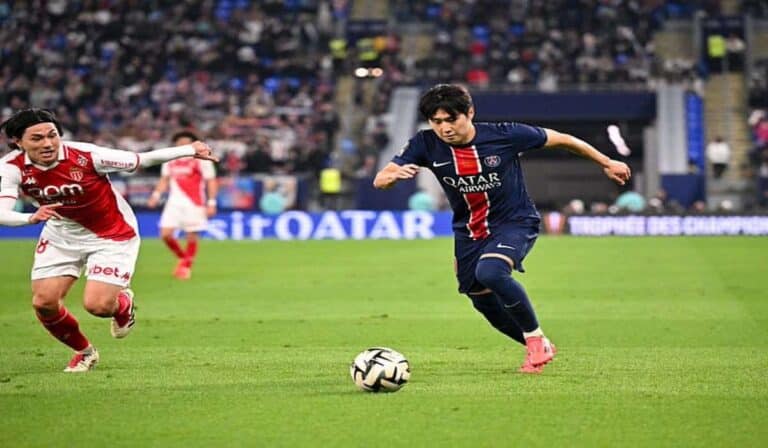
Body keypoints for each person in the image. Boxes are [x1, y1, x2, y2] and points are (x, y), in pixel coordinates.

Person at [373, 84, 631, 374]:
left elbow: (563, 139)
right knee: (484, 303)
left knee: (491, 272)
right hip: (469, 232)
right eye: (437, 122)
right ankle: (538, 343)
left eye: (451, 119)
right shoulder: (425, 143)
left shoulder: (505, 134)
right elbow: (381, 179)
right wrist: (393, 176)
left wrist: (606, 162)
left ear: (470, 113)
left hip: (514, 222)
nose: (445, 128)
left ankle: (535, 339)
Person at [0, 109, 218, 372]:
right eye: (37, 138)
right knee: (43, 303)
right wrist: (29, 219)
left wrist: (188, 149)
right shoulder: (11, 167)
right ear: (17, 141)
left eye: (52, 135)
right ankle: (84, 352)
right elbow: (2, 212)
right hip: (61, 234)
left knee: (99, 306)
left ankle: (123, 304)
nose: (47, 143)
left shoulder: (87, 155)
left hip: (112, 234)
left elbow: (141, 160)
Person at [147, 131, 218, 280]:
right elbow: (164, 179)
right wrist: (156, 195)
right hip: (174, 202)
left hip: (195, 202)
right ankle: (184, 258)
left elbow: (211, 180)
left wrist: (211, 202)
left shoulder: (201, 160)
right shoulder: (170, 160)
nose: (183, 145)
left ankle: (186, 266)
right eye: (180, 143)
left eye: (186, 143)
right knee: (165, 234)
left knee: (192, 235)